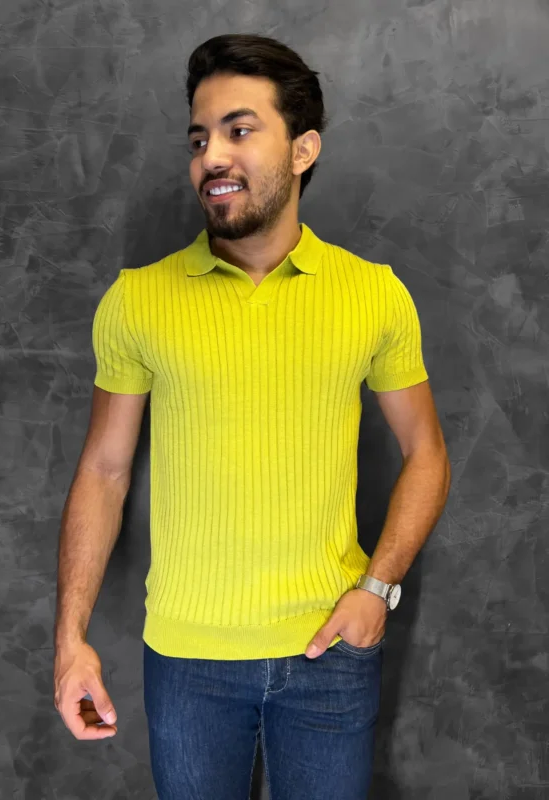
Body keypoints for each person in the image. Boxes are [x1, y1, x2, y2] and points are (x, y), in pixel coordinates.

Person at [54, 33, 451, 799]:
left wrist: (378, 590)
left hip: (329, 657)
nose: (212, 156)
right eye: (199, 138)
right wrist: (70, 639)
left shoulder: (374, 294)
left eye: (239, 130)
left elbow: (426, 452)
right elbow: (103, 470)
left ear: (303, 150)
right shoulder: (137, 300)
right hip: (187, 666)